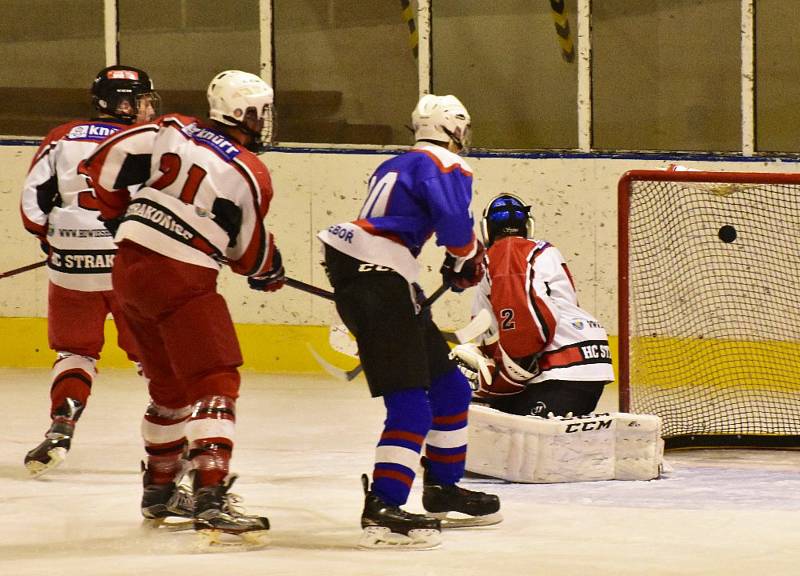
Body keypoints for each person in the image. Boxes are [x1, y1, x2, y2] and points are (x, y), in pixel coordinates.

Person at [80, 70, 284, 544]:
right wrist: (268, 269)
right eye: (262, 111)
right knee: (216, 380)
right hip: (183, 276)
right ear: (244, 113)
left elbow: (103, 164)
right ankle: (211, 497)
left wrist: (118, 217)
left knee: (169, 389)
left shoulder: (172, 126)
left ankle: (160, 489)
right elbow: (248, 254)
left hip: (128, 270)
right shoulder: (251, 170)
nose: (266, 120)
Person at [318, 94, 501, 550]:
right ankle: (383, 505)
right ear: (455, 128)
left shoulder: (397, 163)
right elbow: (455, 228)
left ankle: (441, 488)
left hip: (382, 278)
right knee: (412, 407)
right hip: (380, 284)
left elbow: (401, 226)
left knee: (450, 389)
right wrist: (465, 258)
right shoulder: (449, 164)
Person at [20, 65, 161, 478]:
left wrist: (53, 240)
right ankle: (175, 441)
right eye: (142, 99)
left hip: (70, 266)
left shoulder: (60, 137)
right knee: (152, 353)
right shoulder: (147, 141)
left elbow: (33, 206)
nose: (149, 107)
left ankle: (61, 426)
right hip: (128, 262)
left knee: (75, 352)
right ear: (120, 103)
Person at [452, 193, 615, 417]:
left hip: (558, 373)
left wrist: (502, 377)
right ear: (527, 226)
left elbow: (525, 333)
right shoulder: (546, 251)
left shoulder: (505, 252)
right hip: (588, 364)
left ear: (486, 229)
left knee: (488, 424)